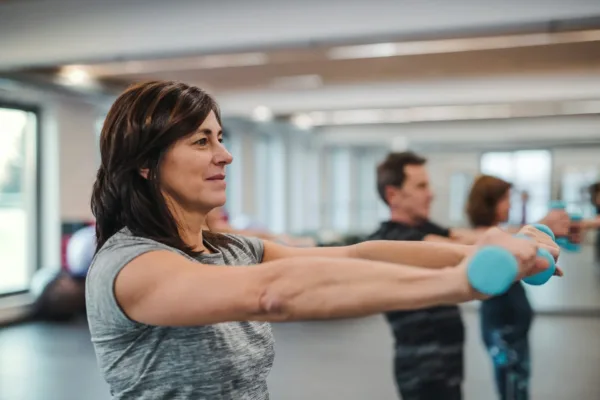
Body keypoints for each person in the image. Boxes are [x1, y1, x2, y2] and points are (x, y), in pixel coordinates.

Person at [86, 81, 559, 400]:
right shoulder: (133, 265)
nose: (225, 155)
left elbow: (357, 253)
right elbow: (272, 293)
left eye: (221, 138)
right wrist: (462, 283)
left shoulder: (228, 249)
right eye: (201, 141)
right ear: (146, 164)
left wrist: (486, 251)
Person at [365, 152, 569, 400]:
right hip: (422, 369)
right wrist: (522, 243)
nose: (430, 193)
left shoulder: (427, 228)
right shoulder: (390, 238)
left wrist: (531, 232)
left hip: (448, 361)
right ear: (393, 195)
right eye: (420, 186)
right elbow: (450, 248)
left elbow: (470, 236)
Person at [467, 175, 533, 400]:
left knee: (517, 388)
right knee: (512, 390)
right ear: (489, 202)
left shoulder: (500, 235)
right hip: (502, 330)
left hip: (512, 329)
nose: (510, 204)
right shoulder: (484, 240)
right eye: (505, 198)